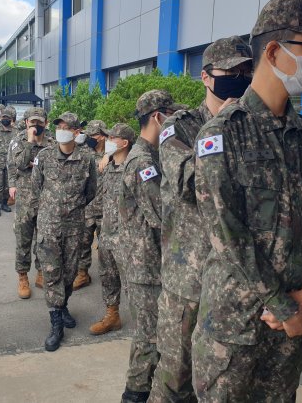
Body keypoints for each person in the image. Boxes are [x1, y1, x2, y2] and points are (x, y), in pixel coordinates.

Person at [191, 0, 302, 401]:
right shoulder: (221, 134)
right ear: (273, 50)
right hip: (236, 329)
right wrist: (283, 306)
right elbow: (226, 234)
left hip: (292, 327)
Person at [149, 36, 253, 403]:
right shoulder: (179, 127)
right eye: (231, 72)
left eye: (246, 71)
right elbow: (191, 182)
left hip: (234, 282)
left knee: (219, 386)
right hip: (188, 278)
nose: (240, 78)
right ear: (207, 77)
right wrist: (226, 121)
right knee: (174, 380)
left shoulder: (255, 126)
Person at [119, 90, 183, 403]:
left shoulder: (150, 156)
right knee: (149, 338)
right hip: (145, 266)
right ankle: (134, 396)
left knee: (154, 338)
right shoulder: (143, 162)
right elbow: (161, 214)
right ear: (158, 116)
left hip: (151, 262)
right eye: (171, 114)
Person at [30, 112, 97, 352]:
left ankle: (63, 305)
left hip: (74, 226)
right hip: (49, 225)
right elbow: (37, 187)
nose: (62, 130)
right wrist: (50, 211)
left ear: (77, 132)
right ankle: (55, 323)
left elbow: (91, 192)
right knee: (51, 273)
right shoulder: (44, 156)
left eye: (67, 127)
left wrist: (72, 208)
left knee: (69, 274)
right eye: (59, 126)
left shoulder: (87, 158)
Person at [89, 123, 135, 336]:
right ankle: (112, 315)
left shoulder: (135, 167)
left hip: (127, 239)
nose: (108, 140)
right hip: (106, 233)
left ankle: (144, 327)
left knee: (132, 285)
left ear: (124, 143)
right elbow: (100, 198)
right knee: (108, 277)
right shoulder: (107, 167)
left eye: (113, 138)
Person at [7, 107, 53, 299]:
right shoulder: (18, 140)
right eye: (32, 122)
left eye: (39, 122)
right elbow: (17, 164)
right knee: (23, 237)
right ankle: (23, 275)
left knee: (44, 238)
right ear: (26, 123)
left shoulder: (53, 141)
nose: (36, 125)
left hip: (46, 196)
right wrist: (30, 142)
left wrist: (33, 164)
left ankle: (41, 270)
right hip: (26, 197)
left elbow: (53, 165)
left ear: (46, 123)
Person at [73, 119, 108, 291]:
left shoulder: (113, 152)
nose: (89, 138)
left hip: (106, 209)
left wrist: (108, 155)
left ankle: (108, 277)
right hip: (88, 206)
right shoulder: (84, 152)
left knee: (106, 247)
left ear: (102, 136)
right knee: (83, 241)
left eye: (93, 135)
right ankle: (82, 273)